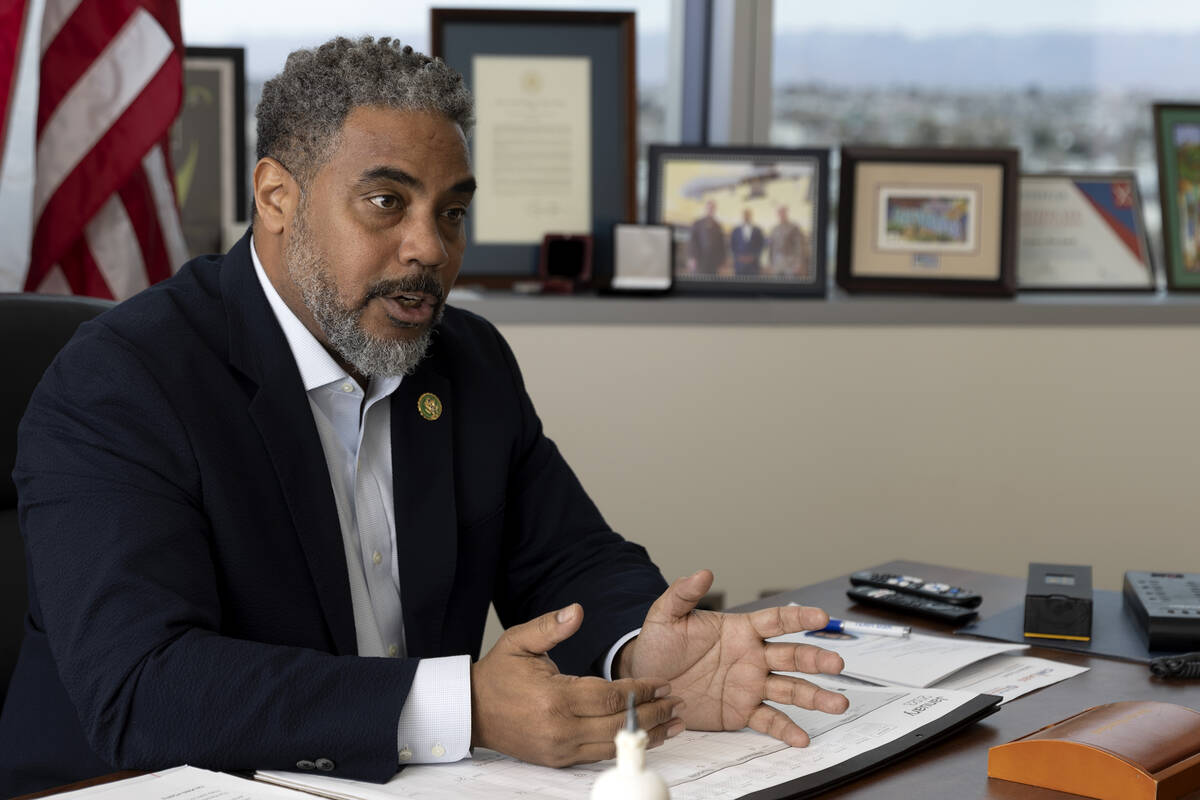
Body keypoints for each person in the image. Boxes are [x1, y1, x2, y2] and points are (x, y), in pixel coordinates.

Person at [0, 37, 847, 796]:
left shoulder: (465, 360)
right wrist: (462, 706)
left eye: (451, 211)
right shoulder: (123, 381)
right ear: (276, 197)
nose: (431, 249)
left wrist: (643, 648)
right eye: (386, 203)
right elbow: (143, 686)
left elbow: (570, 559)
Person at [767, 206, 811, 279]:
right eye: (780, 213)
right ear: (778, 215)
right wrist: (770, 263)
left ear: (786, 214)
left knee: (790, 284)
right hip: (777, 262)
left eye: (783, 213)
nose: (782, 215)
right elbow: (771, 248)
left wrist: (798, 264)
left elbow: (799, 246)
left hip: (791, 262)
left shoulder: (794, 227)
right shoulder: (775, 229)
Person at [684, 199, 726, 275]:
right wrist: (691, 258)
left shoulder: (718, 226)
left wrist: (722, 262)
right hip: (699, 260)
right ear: (705, 209)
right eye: (709, 208)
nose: (710, 210)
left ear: (714, 210)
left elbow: (721, 245)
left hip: (713, 262)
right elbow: (692, 242)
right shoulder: (697, 223)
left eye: (712, 208)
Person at [730, 208, 766, 276]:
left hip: (754, 265)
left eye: (748, 215)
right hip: (739, 265)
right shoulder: (735, 230)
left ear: (751, 216)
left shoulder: (758, 230)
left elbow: (761, 245)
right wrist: (739, 257)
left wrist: (753, 257)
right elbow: (732, 246)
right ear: (742, 216)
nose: (746, 216)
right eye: (745, 215)